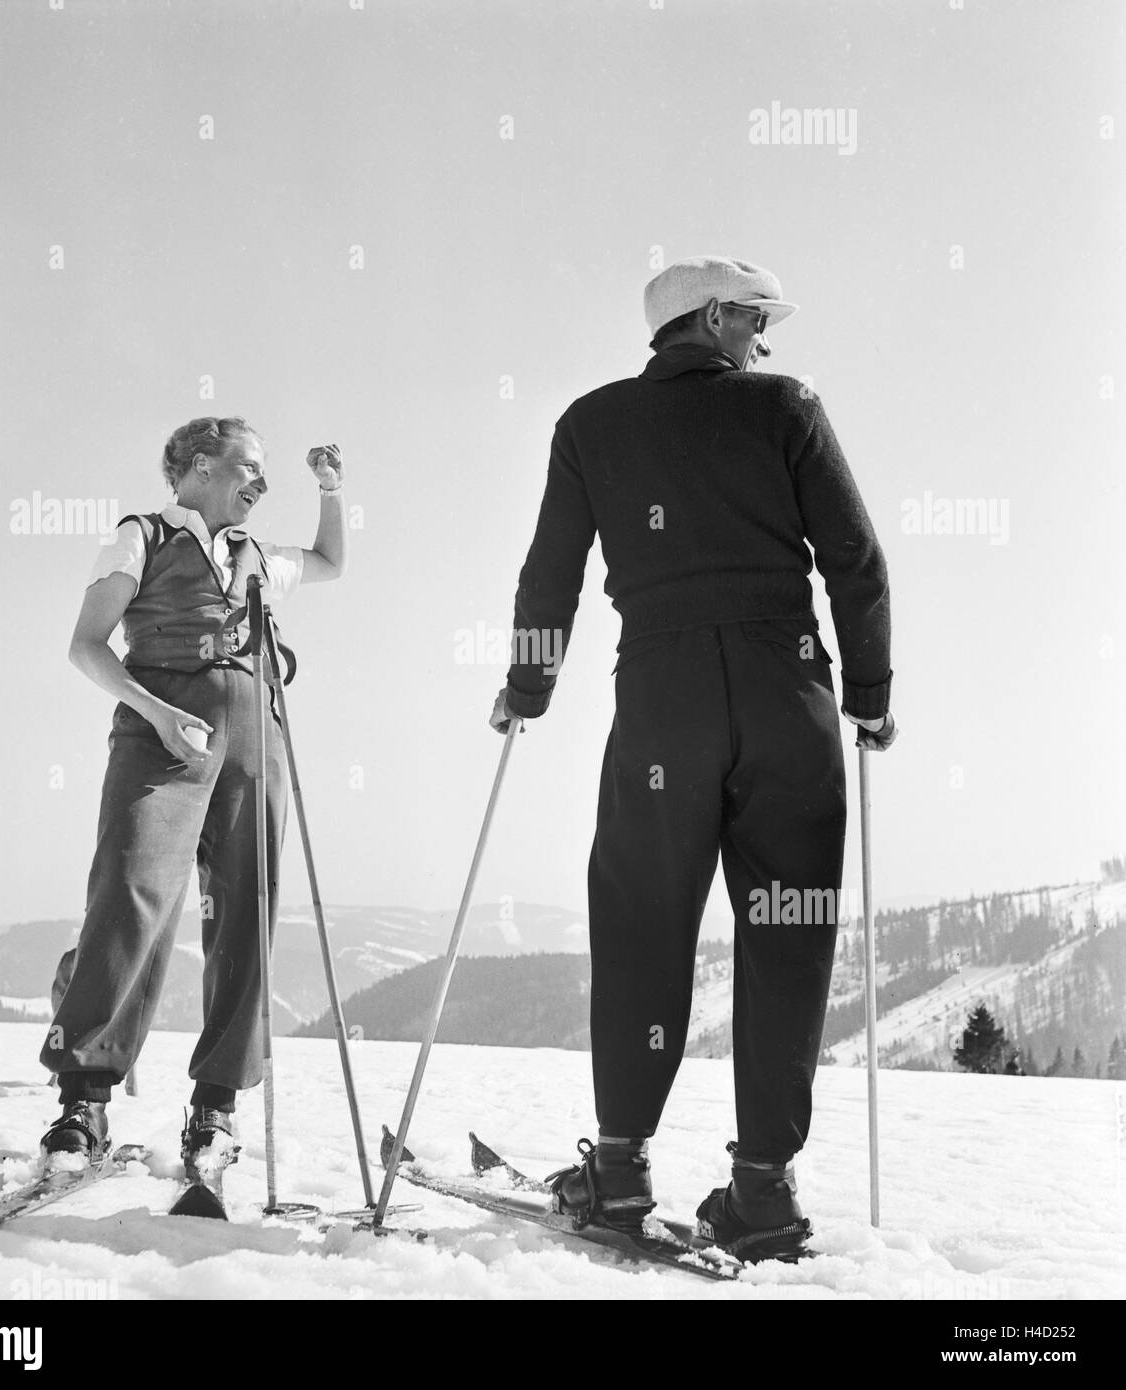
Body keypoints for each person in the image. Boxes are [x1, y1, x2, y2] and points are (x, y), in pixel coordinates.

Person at [489, 256, 897, 1262]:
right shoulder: (785, 407)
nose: (764, 338)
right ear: (710, 315)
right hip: (786, 696)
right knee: (785, 930)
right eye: (756, 318)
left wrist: (527, 686)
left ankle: (620, 1169)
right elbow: (853, 558)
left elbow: (550, 576)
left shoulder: (588, 423)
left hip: (662, 703)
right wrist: (870, 694)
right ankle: (761, 1188)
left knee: (640, 920)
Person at [38, 416, 346, 1173]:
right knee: (130, 891)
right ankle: (84, 1099)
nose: (261, 486)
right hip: (160, 734)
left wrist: (330, 490)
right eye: (250, 468)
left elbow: (332, 562)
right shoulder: (141, 535)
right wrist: (158, 713)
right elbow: (86, 643)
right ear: (200, 467)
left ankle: (215, 1109)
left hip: (253, 740)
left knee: (246, 911)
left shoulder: (255, 555)